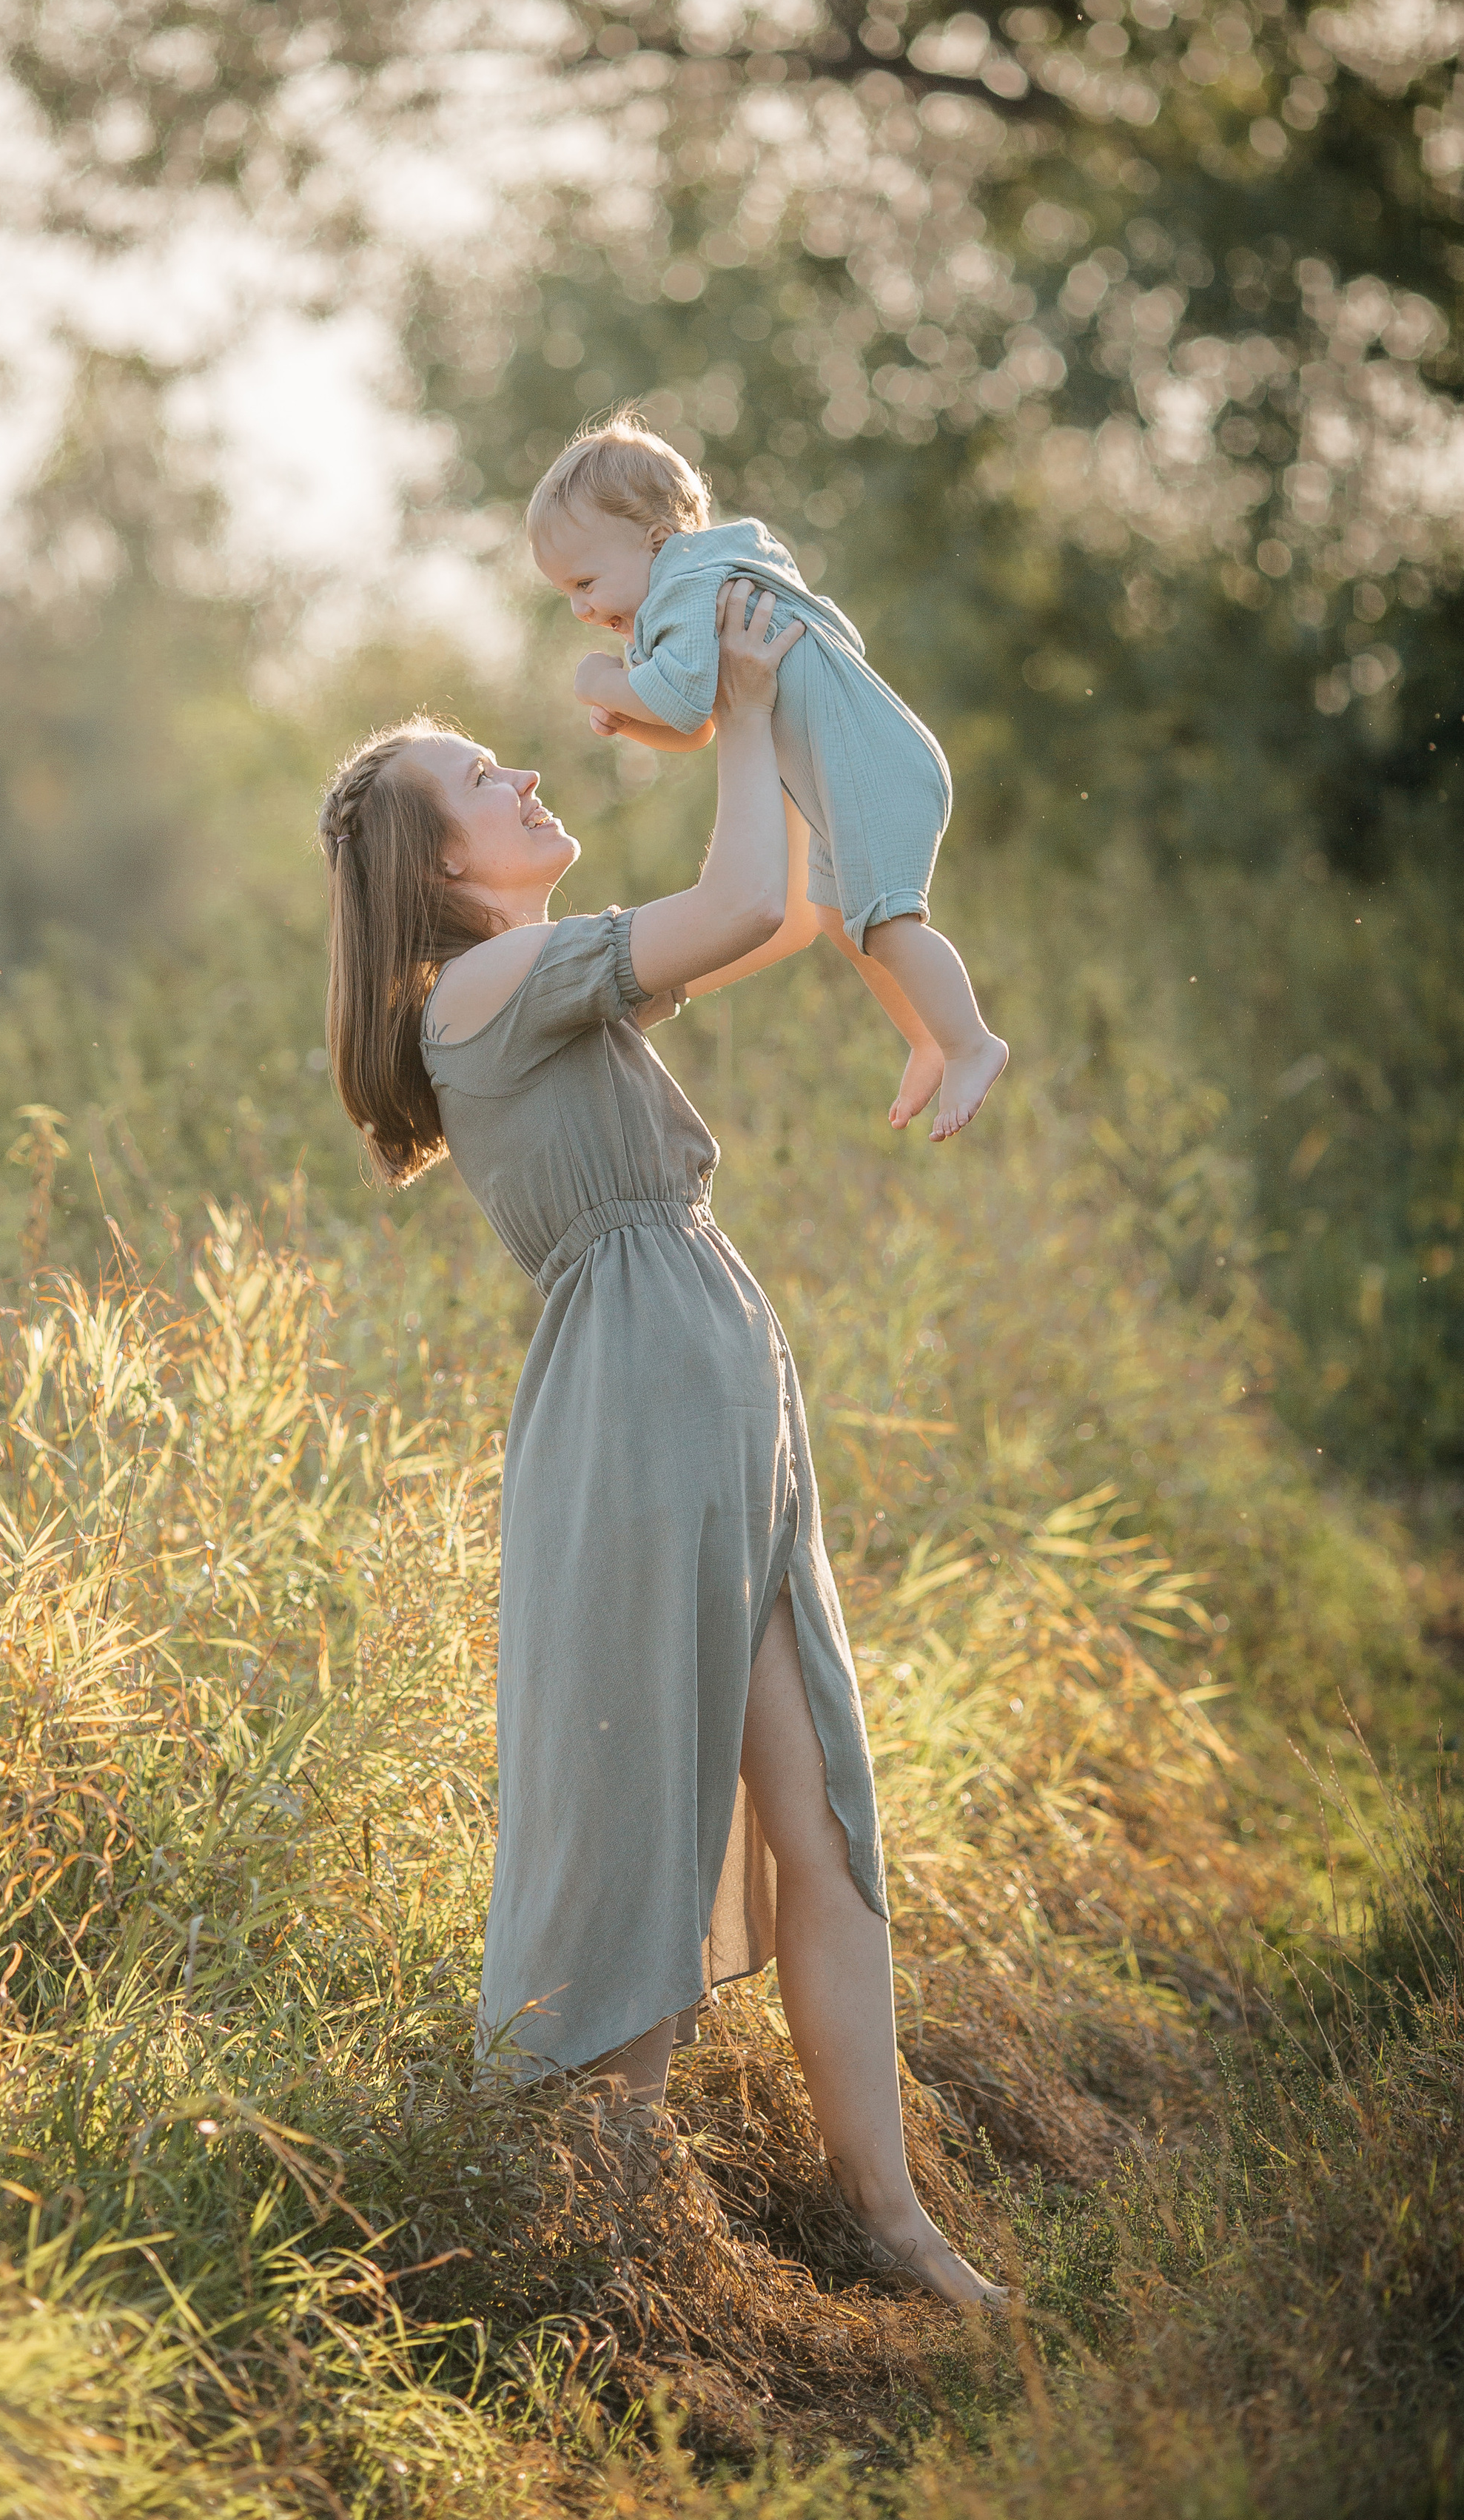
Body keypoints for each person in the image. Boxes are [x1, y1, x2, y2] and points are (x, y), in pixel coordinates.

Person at [316, 579, 1001, 2305]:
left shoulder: (535, 969)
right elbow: (737, 897)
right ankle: (615, 2267)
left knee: (818, 1821)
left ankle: (890, 2220)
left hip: (710, 1376)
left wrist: (780, 718)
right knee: (638, 1822)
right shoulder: (481, 986)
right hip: (635, 1412)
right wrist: (741, 711)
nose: (526, 777)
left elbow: (780, 912)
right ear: (436, 856)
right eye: (488, 777)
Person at [528, 408, 1007, 1145]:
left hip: (871, 771)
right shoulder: (700, 582)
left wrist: (602, 683)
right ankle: (927, 1038)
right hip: (847, 774)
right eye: (568, 593)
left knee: (887, 919)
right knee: (844, 924)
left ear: (654, 541)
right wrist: (635, 718)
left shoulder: (688, 585)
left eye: (587, 582)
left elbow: (683, 702)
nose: (582, 608)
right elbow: (700, 724)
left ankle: (972, 1041)